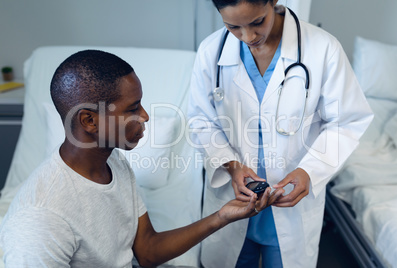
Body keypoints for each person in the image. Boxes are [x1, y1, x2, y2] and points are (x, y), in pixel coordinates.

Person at [0, 50, 284, 267]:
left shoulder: (114, 163)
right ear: (89, 121)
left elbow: (146, 250)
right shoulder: (41, 220)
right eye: (133, 108)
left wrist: (222, 216)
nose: (145, 116)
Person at [187, 0, 373, 267]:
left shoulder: (322, 48)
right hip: (233, 199)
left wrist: (310, 170)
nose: (248, 37)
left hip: (291, 204)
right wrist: (232, 166)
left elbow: (347, 121)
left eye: (257, 22)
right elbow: (201, 121)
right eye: (233, 26)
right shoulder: (210, 51)